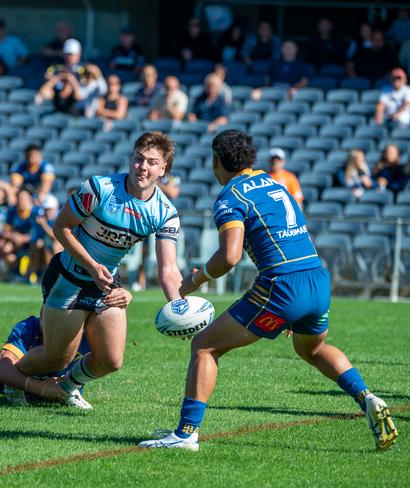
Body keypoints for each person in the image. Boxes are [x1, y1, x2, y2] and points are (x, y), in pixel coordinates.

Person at [138, 129, 398, 452]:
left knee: (205, 346)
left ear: (216, 161)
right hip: (316, 278)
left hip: (282, 286)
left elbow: (229, 256)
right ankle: (367, 397)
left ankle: (186, 434)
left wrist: (196, 279)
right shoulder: (276, 183)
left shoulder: (230, 196)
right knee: (313, 350)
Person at [13, 131, 184, 409]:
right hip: (69, 277)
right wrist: (91, 266)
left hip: (105, 283)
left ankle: (67, 387)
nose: (143, 166)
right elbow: (61, 228)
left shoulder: (165, 212)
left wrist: (179, 309)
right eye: (138, 159)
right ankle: (11, 378)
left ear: (164, 169)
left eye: (152, 162)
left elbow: (168, 270)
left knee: (111, 360)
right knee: (57, 358)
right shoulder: (100, 188)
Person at [28, 194, 62, 284]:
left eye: (49, 210)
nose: (47, 212)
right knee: (37, 246)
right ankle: (32, 275)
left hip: (60, 245)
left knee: (54, 247)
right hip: (47, 244)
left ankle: (54, 276)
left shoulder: (60, 218)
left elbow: (55, 237)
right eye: (46, 210)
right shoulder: (42, 218)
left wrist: (44, 225)